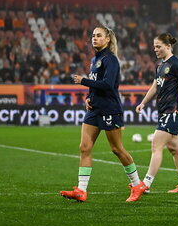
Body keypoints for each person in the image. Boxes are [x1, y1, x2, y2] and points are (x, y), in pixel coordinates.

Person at [59, 25, 142, 202]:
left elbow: (107, 84)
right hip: (94, 109)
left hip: (109, 109)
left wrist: (84, 81)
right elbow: (95, 85)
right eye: (93, 36)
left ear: (108, 39)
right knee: (84, 147)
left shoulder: (110, 60)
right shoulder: (95, 59)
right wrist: (88, 97)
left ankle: (137, 185)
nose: (94, 38)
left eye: (98, 36)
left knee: (117, 149)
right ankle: (81, 190)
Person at [129, 34, 178, 199]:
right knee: (175, 149)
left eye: (158, 46)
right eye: (154, 46)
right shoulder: (160, 66)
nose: (155, 49)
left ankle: (145, 184)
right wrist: (143, 102)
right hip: (164, 111)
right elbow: (155, 86)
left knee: (156, 145)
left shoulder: (177, 64)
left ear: (168, 46)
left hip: (173, 111)